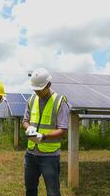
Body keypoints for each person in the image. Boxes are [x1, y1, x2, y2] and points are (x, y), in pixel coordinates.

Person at [23, 68, 69, 196]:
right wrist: (29, 128)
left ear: (48, 85)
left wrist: (43, 136)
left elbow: (63, 129)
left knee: (53, 191)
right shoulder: (32, 99)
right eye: (35, 89)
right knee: (30, 189)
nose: (37, 92)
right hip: (31, 153)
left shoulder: (60, 101)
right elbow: (25, 120)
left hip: (50, 156)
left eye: (40, 89)